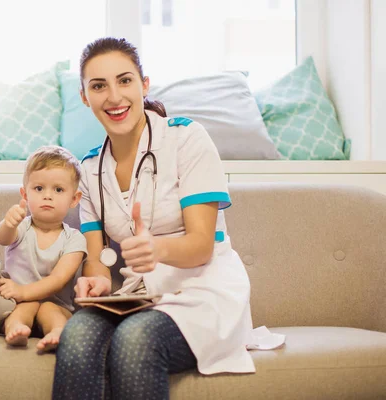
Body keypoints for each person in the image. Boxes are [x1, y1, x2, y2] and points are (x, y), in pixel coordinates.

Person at [52, 37, 274, 400]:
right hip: (139, 297)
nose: (114, 97)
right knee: (77, 335)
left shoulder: (187, 138)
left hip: (204, 292)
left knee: (135, 339)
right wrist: (94, 283)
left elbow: (202, 246)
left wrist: (157, 249)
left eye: (125, 81)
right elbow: (96, 260)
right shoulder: (90, 171)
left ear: (144, 84)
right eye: (98, 86)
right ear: (84, 97)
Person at [0, 145, 87, 352]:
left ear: (74, 199)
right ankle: (17, 330)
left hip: (56, 307)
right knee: (21, 311)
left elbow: (58, 280)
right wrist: (8, 224)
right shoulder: (22, 227)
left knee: (47, 308)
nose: (48, 196)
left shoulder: (74, 239)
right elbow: (2, 238)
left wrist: (22, 291)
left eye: (58, 190)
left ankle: (57, 332)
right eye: (39, 188)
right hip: (18, 304)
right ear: (25, 195)